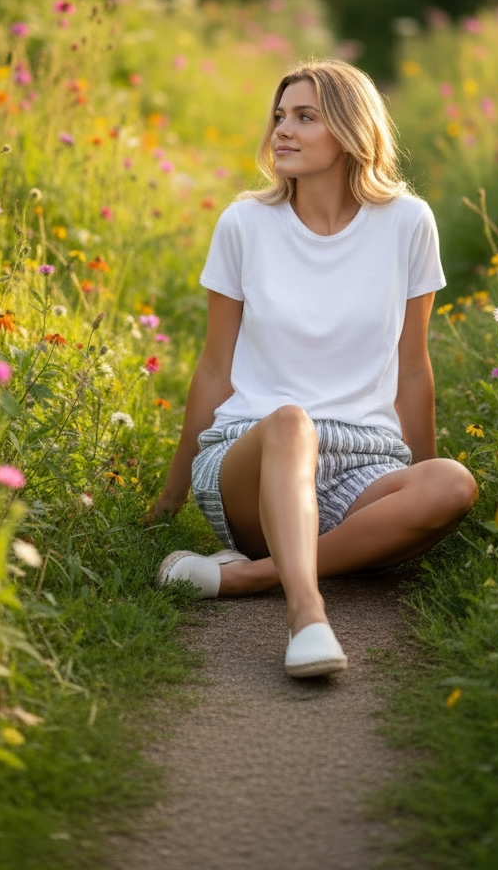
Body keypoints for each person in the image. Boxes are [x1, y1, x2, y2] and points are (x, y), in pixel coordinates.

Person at [147, 59, 477, 678]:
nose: (282, 131)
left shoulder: (408, 222)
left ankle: (248, 578)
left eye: (304, 117)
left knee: (453, 482)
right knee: (291, 421)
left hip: (362, 463)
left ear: (352, 131)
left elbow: (412, 369)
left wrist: (419, 483)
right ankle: (306, 614)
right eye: (279, 117)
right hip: (253, 456)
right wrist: (170, 497)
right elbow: (216, 370)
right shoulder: (245, 223)